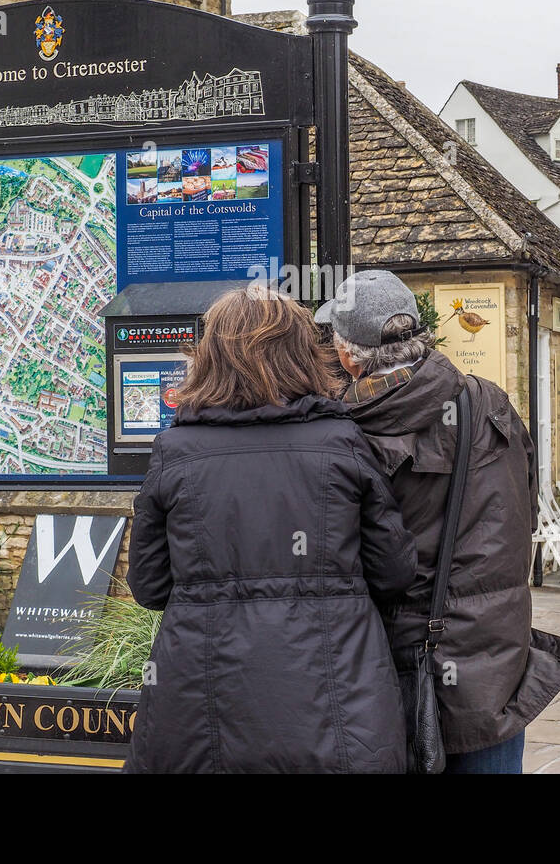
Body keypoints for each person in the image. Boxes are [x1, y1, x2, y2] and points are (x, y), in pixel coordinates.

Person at [124, 283, 417, 773]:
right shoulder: (341, 442)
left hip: (200, 711)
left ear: (209, 356)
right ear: (303, 353)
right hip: (337, 705)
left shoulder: (175, 452)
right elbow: (392, 571)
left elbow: (150, 585)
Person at [316, 270, 560, 775]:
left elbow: (353, 554)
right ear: (420, 334)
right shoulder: (488, 401)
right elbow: (526, 503)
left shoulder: (350, 430)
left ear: (349, 354)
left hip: (401, 658)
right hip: (496, 654)